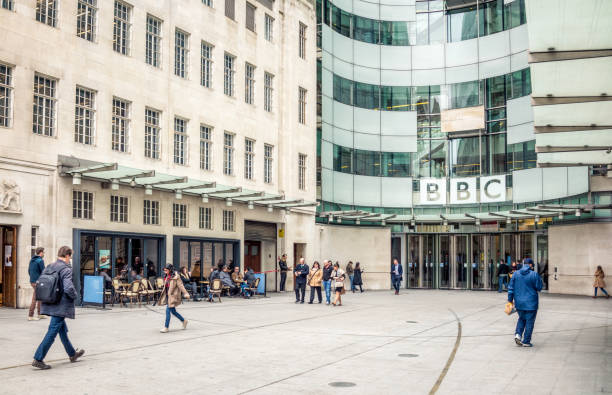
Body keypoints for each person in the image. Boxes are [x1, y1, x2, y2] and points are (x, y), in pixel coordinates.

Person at [32, 246, 85, 370]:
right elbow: (68, 288)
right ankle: (38, 358)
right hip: (60, 305)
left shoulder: (50, 266)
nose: (70, 259)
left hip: (49, 301)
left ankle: (72, 354)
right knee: (53, 331)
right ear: (66, 256)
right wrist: (76, 296)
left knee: (62, 330)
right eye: (70, 256)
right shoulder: (66, 269)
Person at [508, 258, 543, 347]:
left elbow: (511, 289)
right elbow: (539, 287)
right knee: (529, 321)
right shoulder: (534, 274)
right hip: (531, 303)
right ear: (530, 265)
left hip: (519, 302)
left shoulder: (515, 274)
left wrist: (510, 301)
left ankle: (518, 335)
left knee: (521, 318)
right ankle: (526, 341)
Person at [158, 264, 190, 333]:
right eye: (164, 270)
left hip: (173, 296)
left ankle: (166, 327)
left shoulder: (176, 277)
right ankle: (184, 321)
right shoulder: (166, 276)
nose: (165, 271)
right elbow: (166, 285)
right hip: (167, 295)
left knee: (168, 311)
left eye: (166, 269)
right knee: (173, 311)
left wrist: (186, 293)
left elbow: (181, 286)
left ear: (170, 269)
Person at [28, 247, 46, 321]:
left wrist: (33, 278)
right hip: (38, 282)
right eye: (43, 252)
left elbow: (29, 271)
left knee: (40, 297)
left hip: (32, 281)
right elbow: (44, 272)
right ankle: (30, 315)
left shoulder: (32, 260)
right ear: (41, 253)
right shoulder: (40, 261)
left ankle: (40, 314)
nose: (44, 254)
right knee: (35, 298)